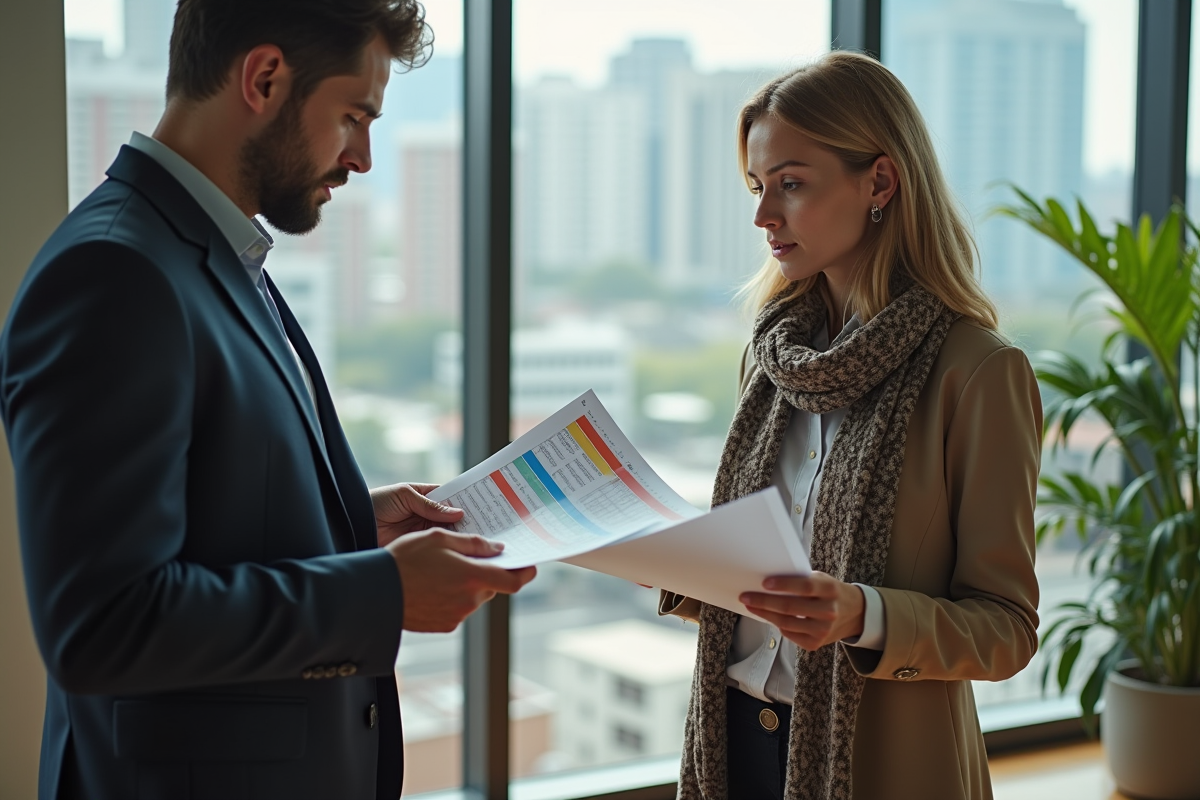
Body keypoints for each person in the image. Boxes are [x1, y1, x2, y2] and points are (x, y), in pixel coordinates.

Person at [0, 1, 536, 798]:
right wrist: (380, 593)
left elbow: (213, 507)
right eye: (354, 115)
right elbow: (102, 624)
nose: (361, 158)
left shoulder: (208, 251)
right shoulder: (115, 274)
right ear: (265, 77)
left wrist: (351, 520)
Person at [658, 52, 1041, 800]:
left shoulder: (978, 372)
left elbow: (1006, 630)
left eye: (792, 184)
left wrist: (862, 614)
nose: (765, 216)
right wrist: (668, 558)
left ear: (880, 183)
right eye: (758, 187)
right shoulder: (769, 360)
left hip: (880, 767)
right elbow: (754, 586)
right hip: (731, 743)